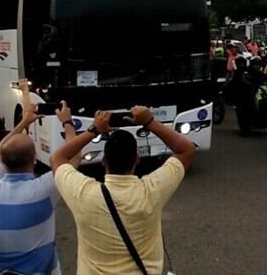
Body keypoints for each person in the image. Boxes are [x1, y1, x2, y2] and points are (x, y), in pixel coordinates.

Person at [51, 104, 195, 275]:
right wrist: (149, 122)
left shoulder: (84, 193)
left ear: (103, 160)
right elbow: (186, 150)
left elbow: (58, 158)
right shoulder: (152, 190)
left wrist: (93, 130)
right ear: (137, 159)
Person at [0, 79, 61, 275]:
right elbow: (69, 161)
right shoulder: (43, 190)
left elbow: (1, 151)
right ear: (33, 160)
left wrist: (24, 117)